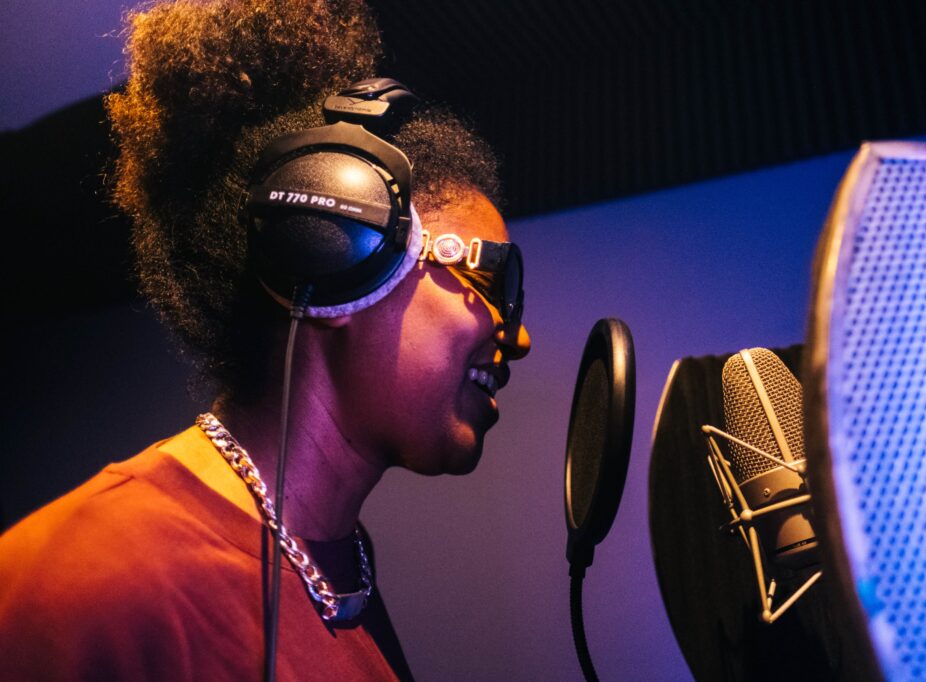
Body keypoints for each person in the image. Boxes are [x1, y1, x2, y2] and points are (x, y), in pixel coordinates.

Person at [0, 0, 530, 679]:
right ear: (344, 251)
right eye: (492, 279)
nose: (519, 336)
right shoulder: (79, 581)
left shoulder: (341, 567)